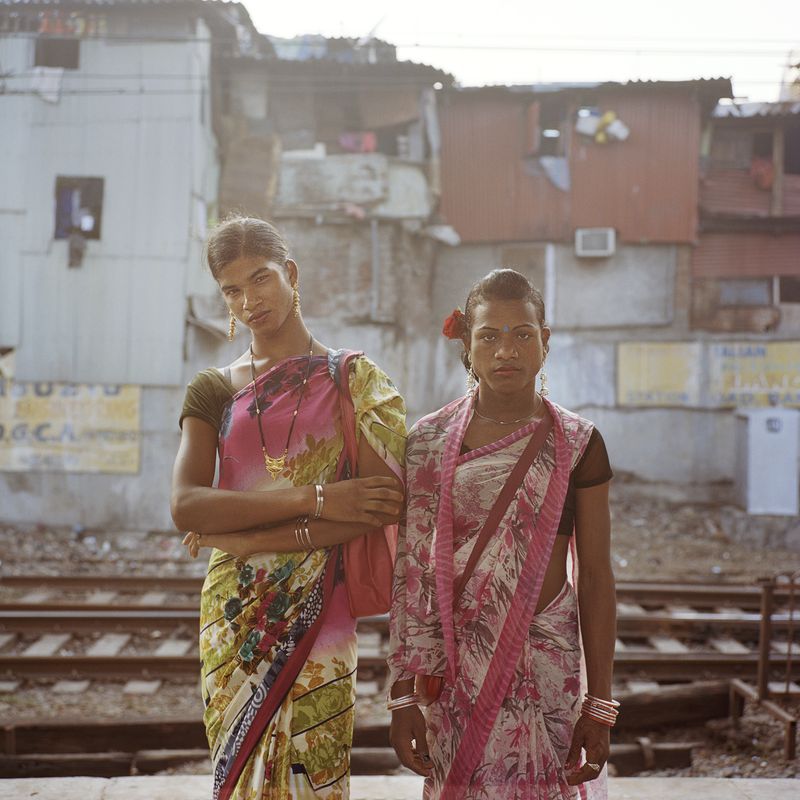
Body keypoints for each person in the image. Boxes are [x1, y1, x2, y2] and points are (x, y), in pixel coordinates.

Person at [171, 216, 406, 800]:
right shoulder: (214, 389)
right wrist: (319, 499)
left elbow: (381, 504)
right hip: (234, 615)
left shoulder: (354, 380)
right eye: (231, 289)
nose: (249, 300)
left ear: (291, 274)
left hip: (322, 610)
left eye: (260, 278)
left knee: (316, 772)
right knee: (240, 774)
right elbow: (186, 506)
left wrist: (244, 530)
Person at [387, 269, 616, 800]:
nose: (505, 349)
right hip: (453, 676)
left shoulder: (579, 443)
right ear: (467, 345)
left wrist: (599, 702)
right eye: (489, 335)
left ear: (545, 344)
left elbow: (598, 575)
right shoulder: (426, 442)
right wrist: (402, 698)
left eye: (522, 333)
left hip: (546, 669)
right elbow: (413, 575)